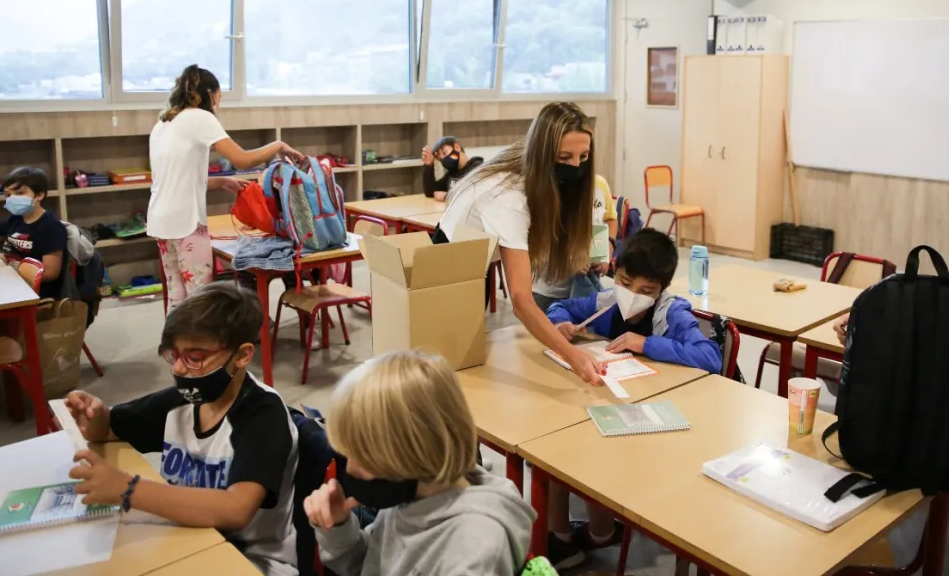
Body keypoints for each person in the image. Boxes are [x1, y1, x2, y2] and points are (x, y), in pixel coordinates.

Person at [63, 282, 299, 576]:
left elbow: (236, 509)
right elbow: (111, 428)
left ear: (241, 356)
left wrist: (127, 488)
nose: (178, 369)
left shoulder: (263, 415)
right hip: (185, 536)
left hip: (251, 561)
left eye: (195, 357)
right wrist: (94, 415)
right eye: (174, 355)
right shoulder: (182, 401)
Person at [543, 228, 721, 567]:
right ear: (614, 270)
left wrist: (645, 344)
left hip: (657, 418)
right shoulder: (608, 299)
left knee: (584, 447)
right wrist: (561, 323)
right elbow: (560, 307)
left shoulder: (671, 311)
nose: (631, 294)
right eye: (624, 282)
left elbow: (710, 357)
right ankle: (563, 537)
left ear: (662, 289)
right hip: (614, 402)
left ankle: (594, 533)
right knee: (556, 439)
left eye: (646, 290)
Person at [304, 351, 535, 576]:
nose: (351, 469)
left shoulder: (474, 551)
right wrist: (338, 528)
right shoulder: (411, 497)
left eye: (363, 455)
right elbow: (373, 564)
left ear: (413, 451)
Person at [437, 102, 605, 386]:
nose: (576, 166)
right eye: (564, 157)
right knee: (454, 358)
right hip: (452, 256)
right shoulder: (510, 196)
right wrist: (572, 356)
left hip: (480, 251)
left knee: (468, 351)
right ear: (543, 154)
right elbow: (521, 301)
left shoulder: (536, 171)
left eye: (583, 156)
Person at [148, 64, 302, 310]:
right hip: (185, 222)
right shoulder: (200, 117)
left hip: (160, 222)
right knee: (201, 300)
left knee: (177, 297)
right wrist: (277, 146)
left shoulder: (164, 123)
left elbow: (172, 179)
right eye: (218, 99)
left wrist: (221, 181)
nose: (218, 106)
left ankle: (174, 350)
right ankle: (205, 349)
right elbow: (240, 159)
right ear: (209, 95)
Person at [532, 174, 618, 310]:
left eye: (584, 156)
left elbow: (610, 219)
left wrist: (607, 250)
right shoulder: (544, 187)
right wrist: (567, 260)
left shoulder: (599, 184)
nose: (577, 163)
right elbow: (536, 236)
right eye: (566, 156)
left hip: (587, 287)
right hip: (548, 291)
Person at [0, 167, 66, 299]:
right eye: (8, 195)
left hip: (35, 292)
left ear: (39, 195)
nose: (12, 199)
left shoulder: (51, 227)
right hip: (13, 282)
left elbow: (50, 273)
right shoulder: (14, 219)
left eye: (20, 193)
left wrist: (12, 269)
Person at [421, 136, 484, 201]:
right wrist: (428, 165)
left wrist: (447, 196)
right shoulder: (451, 174)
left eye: (444, 153)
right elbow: (430, 191)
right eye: (440, 159)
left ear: (457, 147)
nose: (443, 159)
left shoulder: (477, 167)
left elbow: (474, 195)